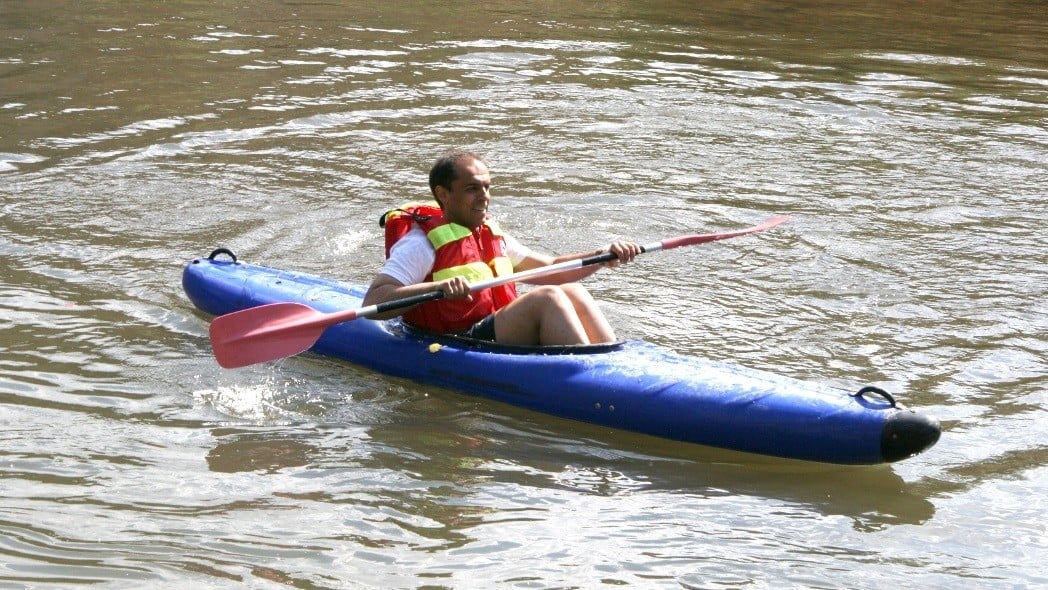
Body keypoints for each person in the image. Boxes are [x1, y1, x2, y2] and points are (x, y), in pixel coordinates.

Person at [361, 150, 641, 346]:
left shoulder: (490, 235)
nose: (485, 197)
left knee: (572, 291)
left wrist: (601, 257)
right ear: (443, 194)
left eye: (486, 187)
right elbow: (373, 302)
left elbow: (551, 270)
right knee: (547, 299)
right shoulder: (420, 244)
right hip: (457, 339)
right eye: (473, 188)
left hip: (492, 326)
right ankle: (588, 377)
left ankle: (608, 358)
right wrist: (436, 287)